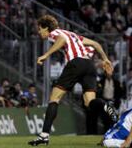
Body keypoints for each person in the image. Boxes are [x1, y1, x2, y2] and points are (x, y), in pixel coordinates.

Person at [28, 15, 116, 146]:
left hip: (76, 64)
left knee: (54, 98)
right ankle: (105, 105)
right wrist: (105, 59)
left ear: (46, 28)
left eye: (40, 29)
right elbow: (95, 44)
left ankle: (44, 135)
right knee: (89, 102)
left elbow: (62, 40)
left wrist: (46, 55)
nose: (39, 32)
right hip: (89, 65)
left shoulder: (55, 33)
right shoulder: (72, 34)